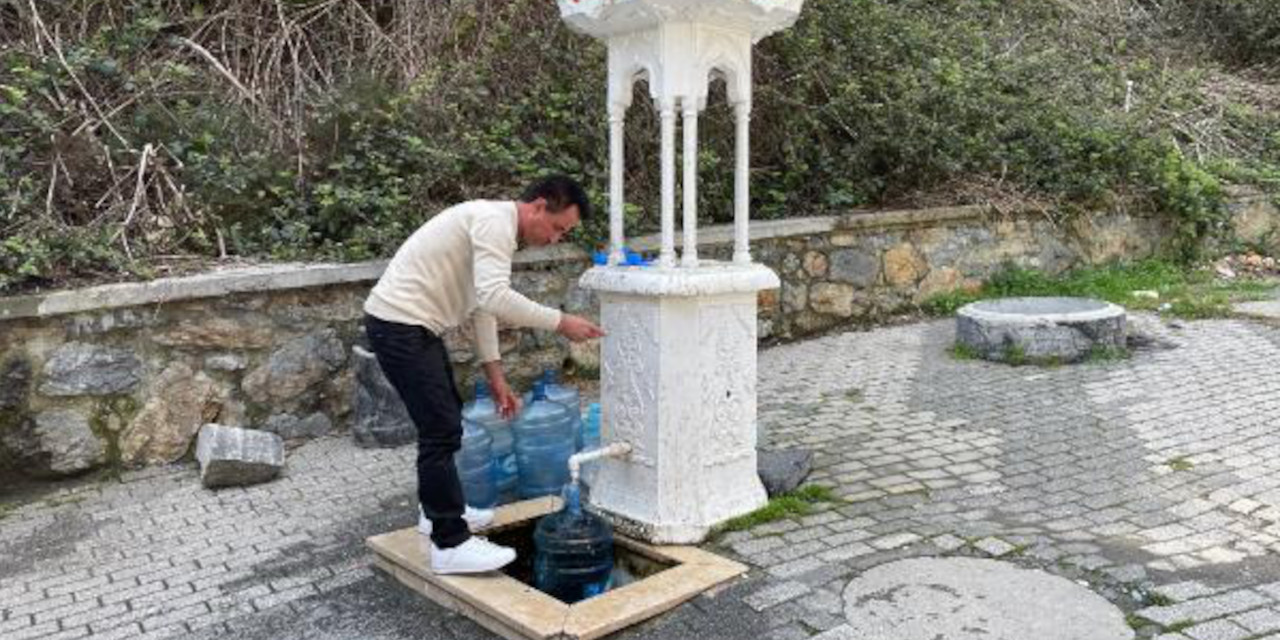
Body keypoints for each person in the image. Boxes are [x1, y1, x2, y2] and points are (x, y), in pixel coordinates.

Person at [363, 175, 605, 575]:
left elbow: (482, 305)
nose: (556, 239)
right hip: (400, 325)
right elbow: (494, 297)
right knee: (440, 429)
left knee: (446, 422)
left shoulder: (496, 227)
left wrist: (495, 374)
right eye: (559, 228)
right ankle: (449, 543)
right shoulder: (493, 223)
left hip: (412, 326)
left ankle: (437, 513)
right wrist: (561, 322)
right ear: (539, 206)